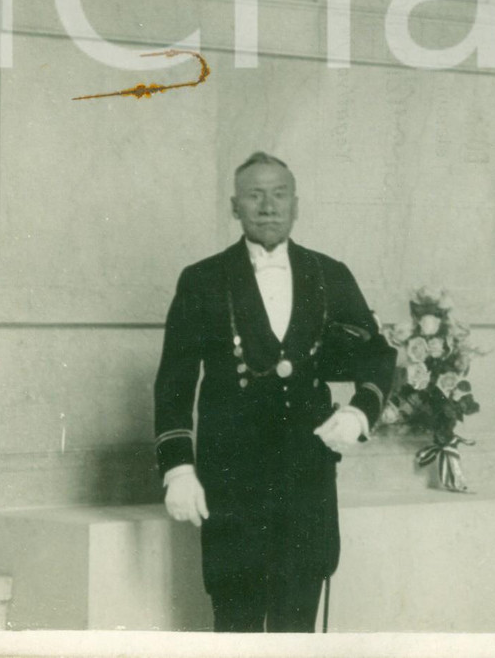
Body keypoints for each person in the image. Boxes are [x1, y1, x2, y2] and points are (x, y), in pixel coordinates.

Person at [153, 152, 397, 632]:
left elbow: (376, 356)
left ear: (296, 205)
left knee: (297, 623)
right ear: (234, 207)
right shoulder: (202, 279)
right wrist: (177, 469)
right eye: (255, 195)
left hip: (306, 479)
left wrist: (360, 413)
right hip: (231, 480)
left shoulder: (330, 274)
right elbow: (174, 382)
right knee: (236, 618)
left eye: (279, 194)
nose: (268, 206)